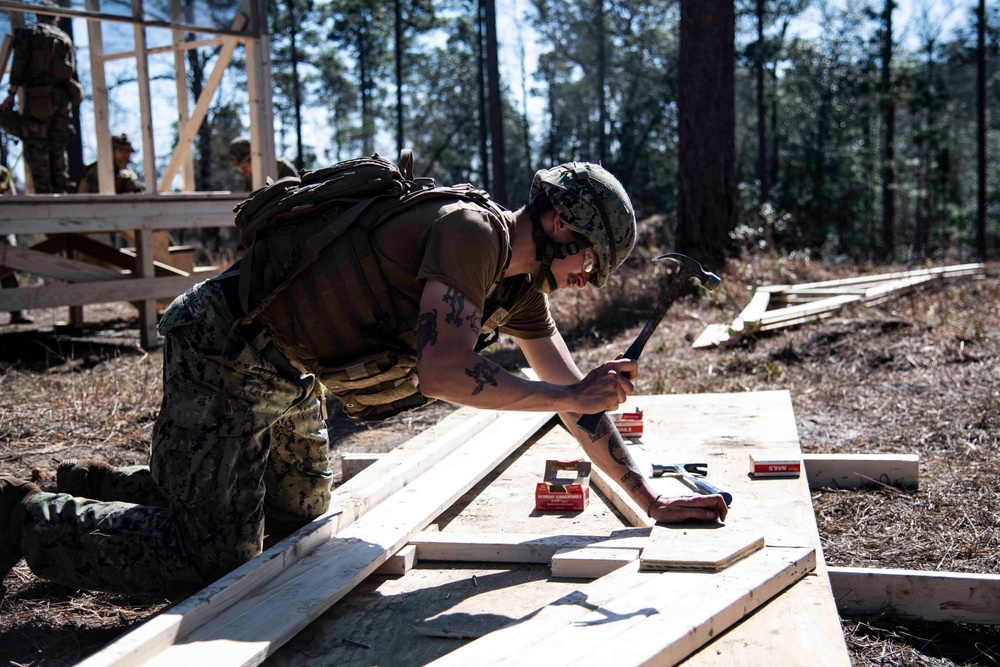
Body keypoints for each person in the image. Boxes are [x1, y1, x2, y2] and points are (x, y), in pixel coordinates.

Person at [0, 160, 727, 596]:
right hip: (228, 349)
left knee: (297, 530)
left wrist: (650, 496)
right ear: (564, 227)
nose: (585, 281)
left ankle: (91, 479)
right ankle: (26, 518)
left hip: (292, 375)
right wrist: (567, 394)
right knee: (214, 555)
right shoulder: (472, 234)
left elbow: (580, 406)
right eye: (590, 262)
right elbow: (445, 373)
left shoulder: (519, 291)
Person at [0, 0, 84, 194]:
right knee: (58, 156)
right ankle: (61, 200)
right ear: (57, 17)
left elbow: (19, 68)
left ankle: (45, 200)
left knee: (38, 154)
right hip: (62, 107)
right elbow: (73, 76)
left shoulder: (30, 35)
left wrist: (11, 95)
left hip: (38, 103)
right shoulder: (65, 38)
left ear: (38, 15)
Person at [1, 165, 32, 324]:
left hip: (4, 228)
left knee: (9, 269)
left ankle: (17, 312)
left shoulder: (2, 172)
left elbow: (11, 196)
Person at [76, 133, 144, 194]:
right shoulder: (96, 172)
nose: (125, 155)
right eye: (121, 151)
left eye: (127, 152)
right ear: (111, 152)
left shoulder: (127, 174)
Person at [228, 137, 297, 192]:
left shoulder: (282, 168)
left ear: (254, 158)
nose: (243, 171)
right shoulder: (249, 178)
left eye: (244, 166)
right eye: (240, 168)